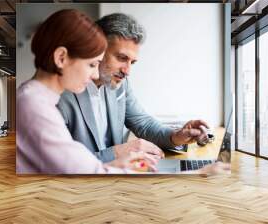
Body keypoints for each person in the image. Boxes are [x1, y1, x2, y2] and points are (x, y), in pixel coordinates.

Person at [16, 9, 157, 174]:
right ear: (61, 58)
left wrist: (116, 165)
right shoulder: (34, 106)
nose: (96, 74)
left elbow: (81, 166)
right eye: (91, 65)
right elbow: (84, 172)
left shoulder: (36, 98)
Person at [57, 13, 211, 163]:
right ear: (97, 49)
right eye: (122, 58)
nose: (127, 71)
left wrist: (175, 136)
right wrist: (119, 152)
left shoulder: (119, 84)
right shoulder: (58, 94)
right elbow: (61, 163)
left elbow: (143, 123)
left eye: (132, 62)